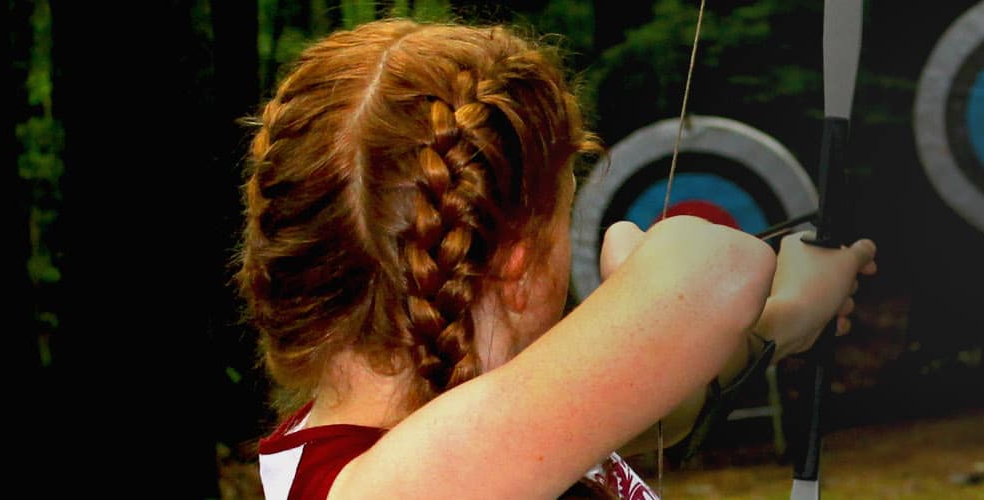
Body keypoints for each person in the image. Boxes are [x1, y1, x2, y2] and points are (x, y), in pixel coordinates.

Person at [235, 18, 878, 500]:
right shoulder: (384, 485)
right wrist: (635, 263)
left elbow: (667, 404)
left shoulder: (515, 420)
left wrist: (791, 313)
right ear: (517, 262)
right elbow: (716, 273)